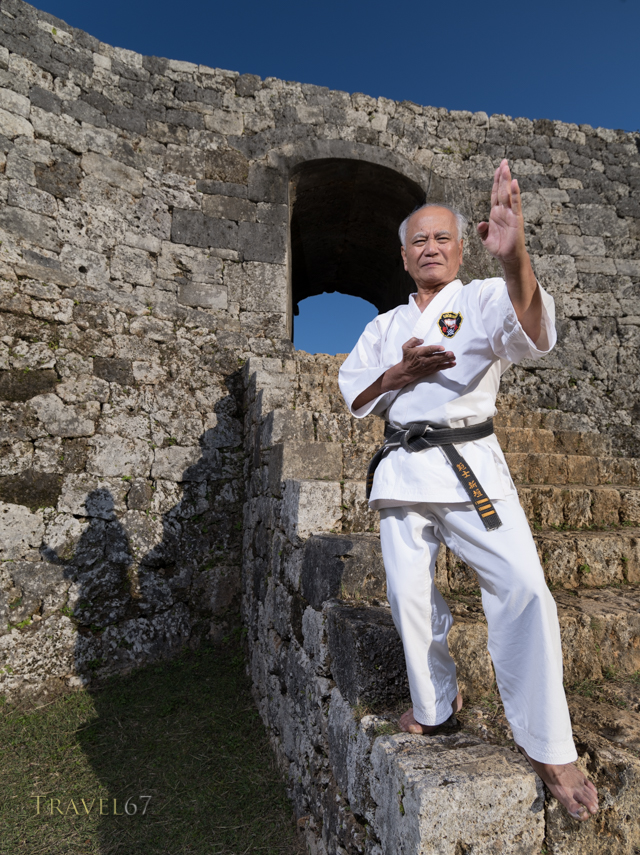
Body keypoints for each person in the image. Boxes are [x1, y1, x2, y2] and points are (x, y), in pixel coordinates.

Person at [338, 160, 599, 820]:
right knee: (409, 596)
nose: (430, 247)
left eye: (442, 238)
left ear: (461, 248)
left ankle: (550, 745)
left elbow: (533, 334)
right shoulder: (381, 327)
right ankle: (434, 705)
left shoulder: (482, 297)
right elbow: (354, 395)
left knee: (525, 588)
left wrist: (515, 260)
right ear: (404, 256)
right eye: (418, 241)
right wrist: (397, 375)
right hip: (402, 466)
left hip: (470, 463)